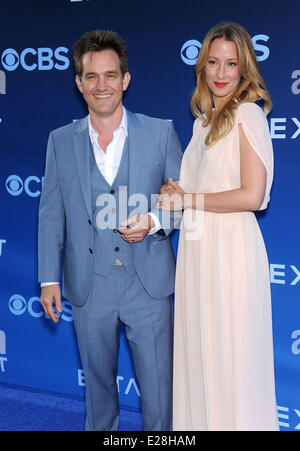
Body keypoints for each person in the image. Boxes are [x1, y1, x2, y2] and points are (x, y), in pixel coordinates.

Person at [38, 29, 182, 431]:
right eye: (92, 77)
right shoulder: (59, 141)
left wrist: (154, 222)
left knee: (159, 396)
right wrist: (49, 278)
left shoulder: (159, 132)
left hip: (149, 285)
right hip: (88, 288)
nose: (102, 86)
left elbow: (183, 201)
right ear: (79, 83)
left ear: (126, 79)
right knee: (98, 398)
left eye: (111, 75)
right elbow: (51, 214)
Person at [157, 21, 279, 431]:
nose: (222, 73)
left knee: (231, 362)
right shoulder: (202, 124)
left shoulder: (248, 114)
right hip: (197, 253)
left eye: (231, 64)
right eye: (213, 62)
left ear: (245, 70)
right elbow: (198, 189)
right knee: (201, 359)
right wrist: (175, 193)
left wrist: (187, 198)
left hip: (230, 255)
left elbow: (252, 196)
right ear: (202, 68)